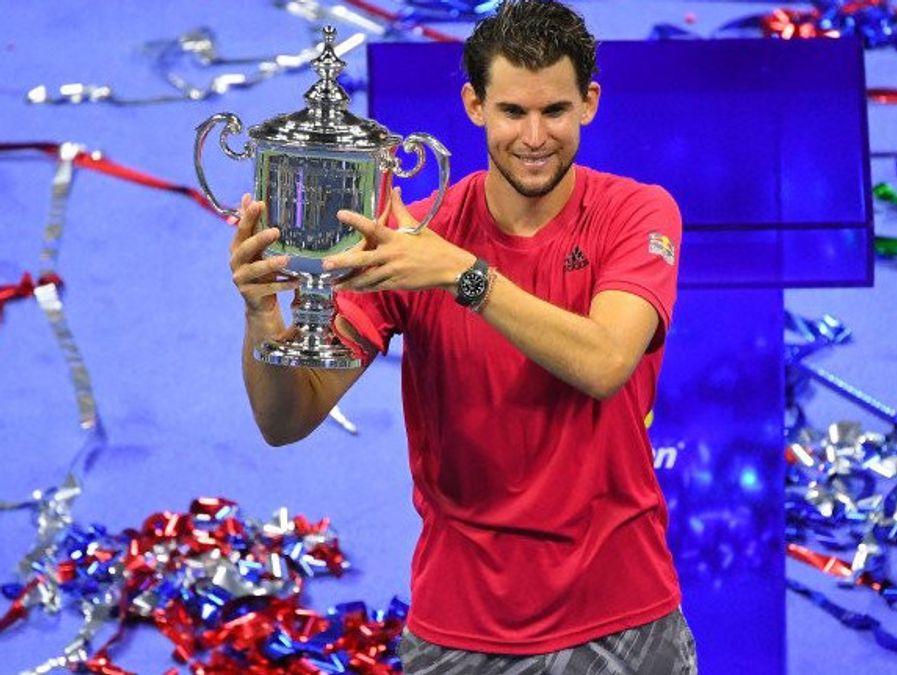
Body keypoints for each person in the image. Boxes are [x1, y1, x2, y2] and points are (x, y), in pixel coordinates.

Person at [228, 1, 694, 672]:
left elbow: (604, 361)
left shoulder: (638, 212)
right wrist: (261, 315)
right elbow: (287, 418)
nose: (534, 137)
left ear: (589, 103)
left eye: (555, 111)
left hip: (622, 618)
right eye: (512, 112)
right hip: (458, 628)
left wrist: (464, 274)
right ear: (474, 105)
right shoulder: (411, 240)